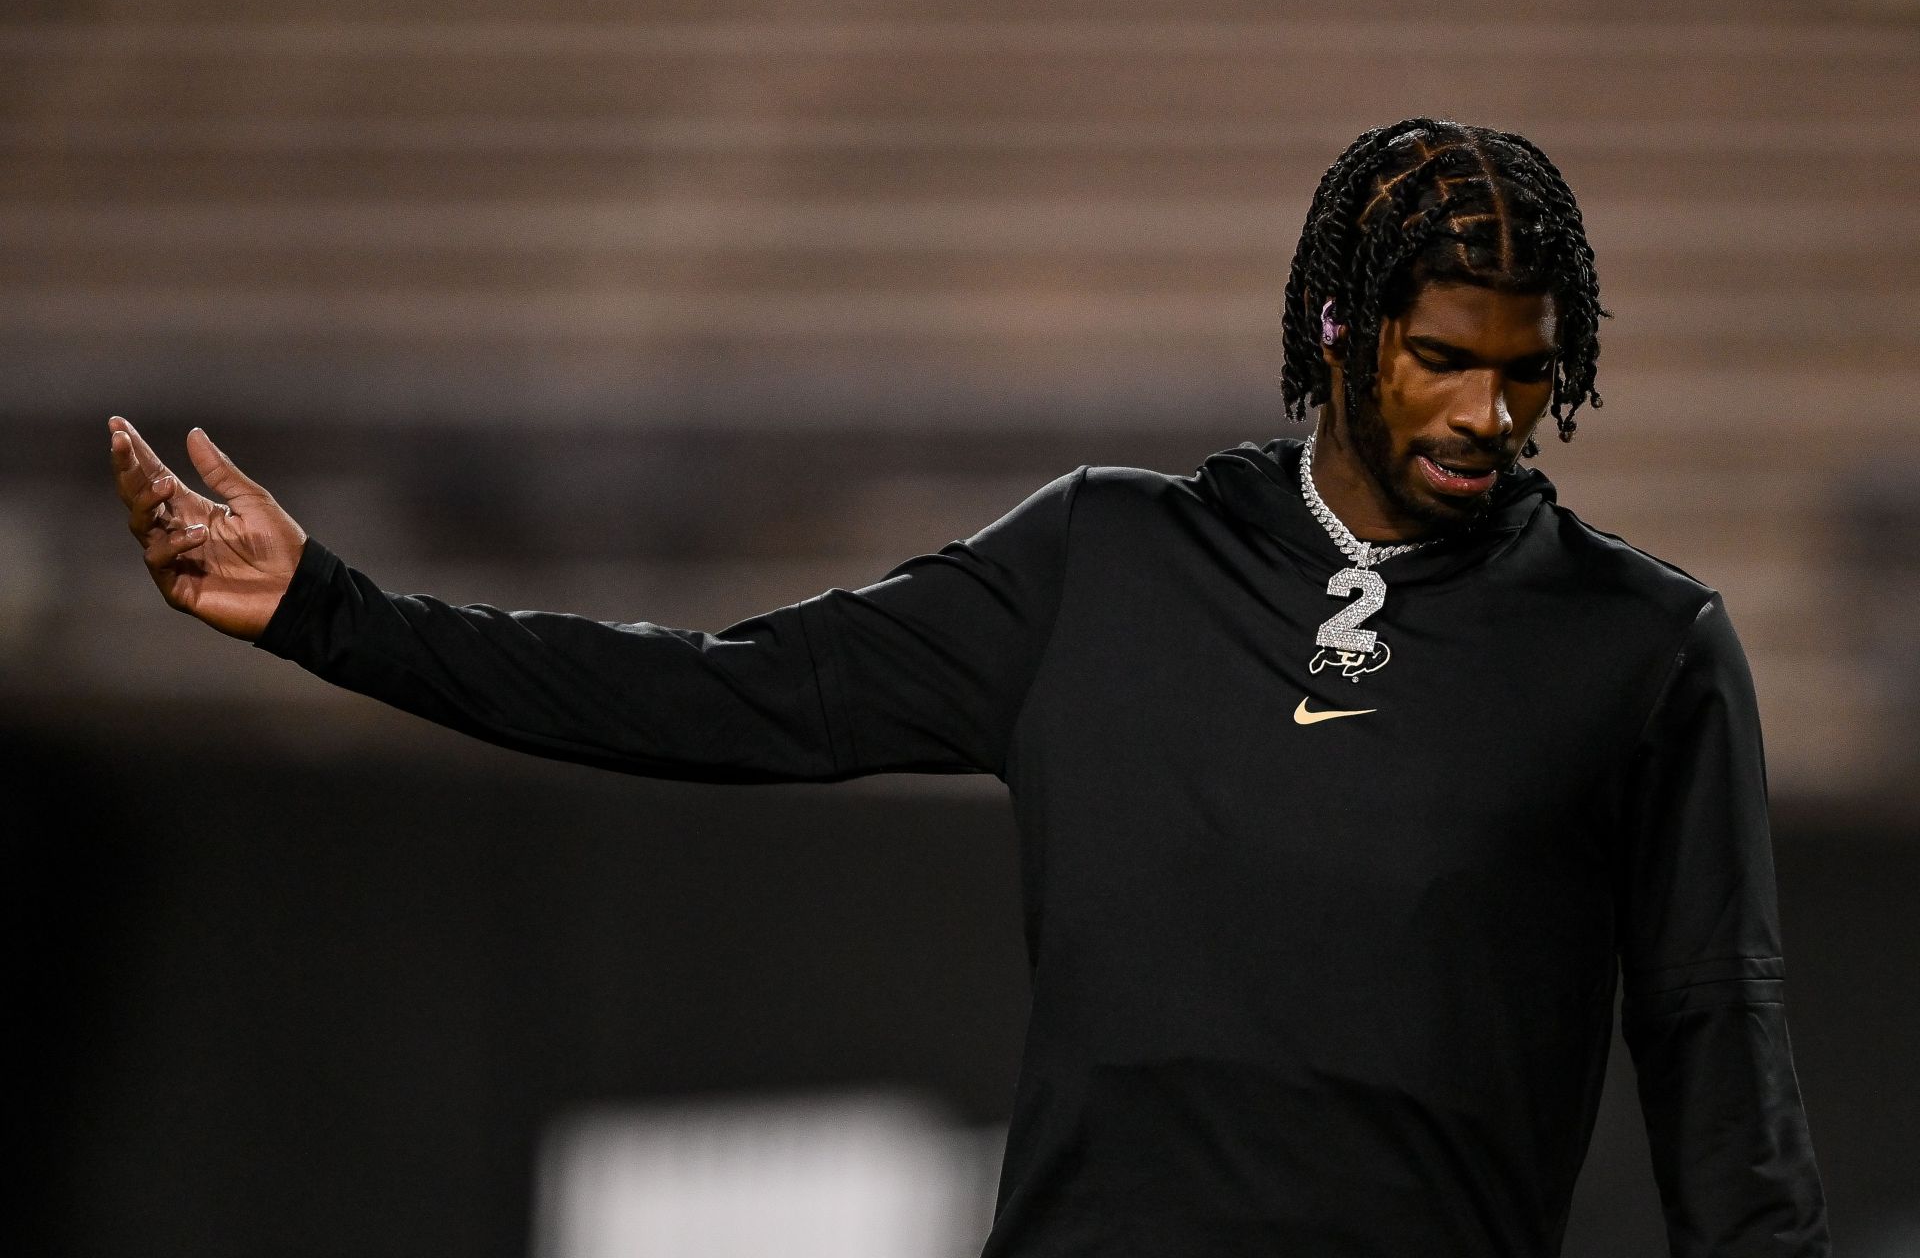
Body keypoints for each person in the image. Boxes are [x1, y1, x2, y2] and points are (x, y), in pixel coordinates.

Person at [108, 117, 1829, 1256]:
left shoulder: (1644, 646)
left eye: (1527, 380)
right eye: (1443, 360)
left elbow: (1717, 1053)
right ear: (1332, 332)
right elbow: (728, 696)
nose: (1487, 417)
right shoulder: (1103, 562)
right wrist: (331, 613)